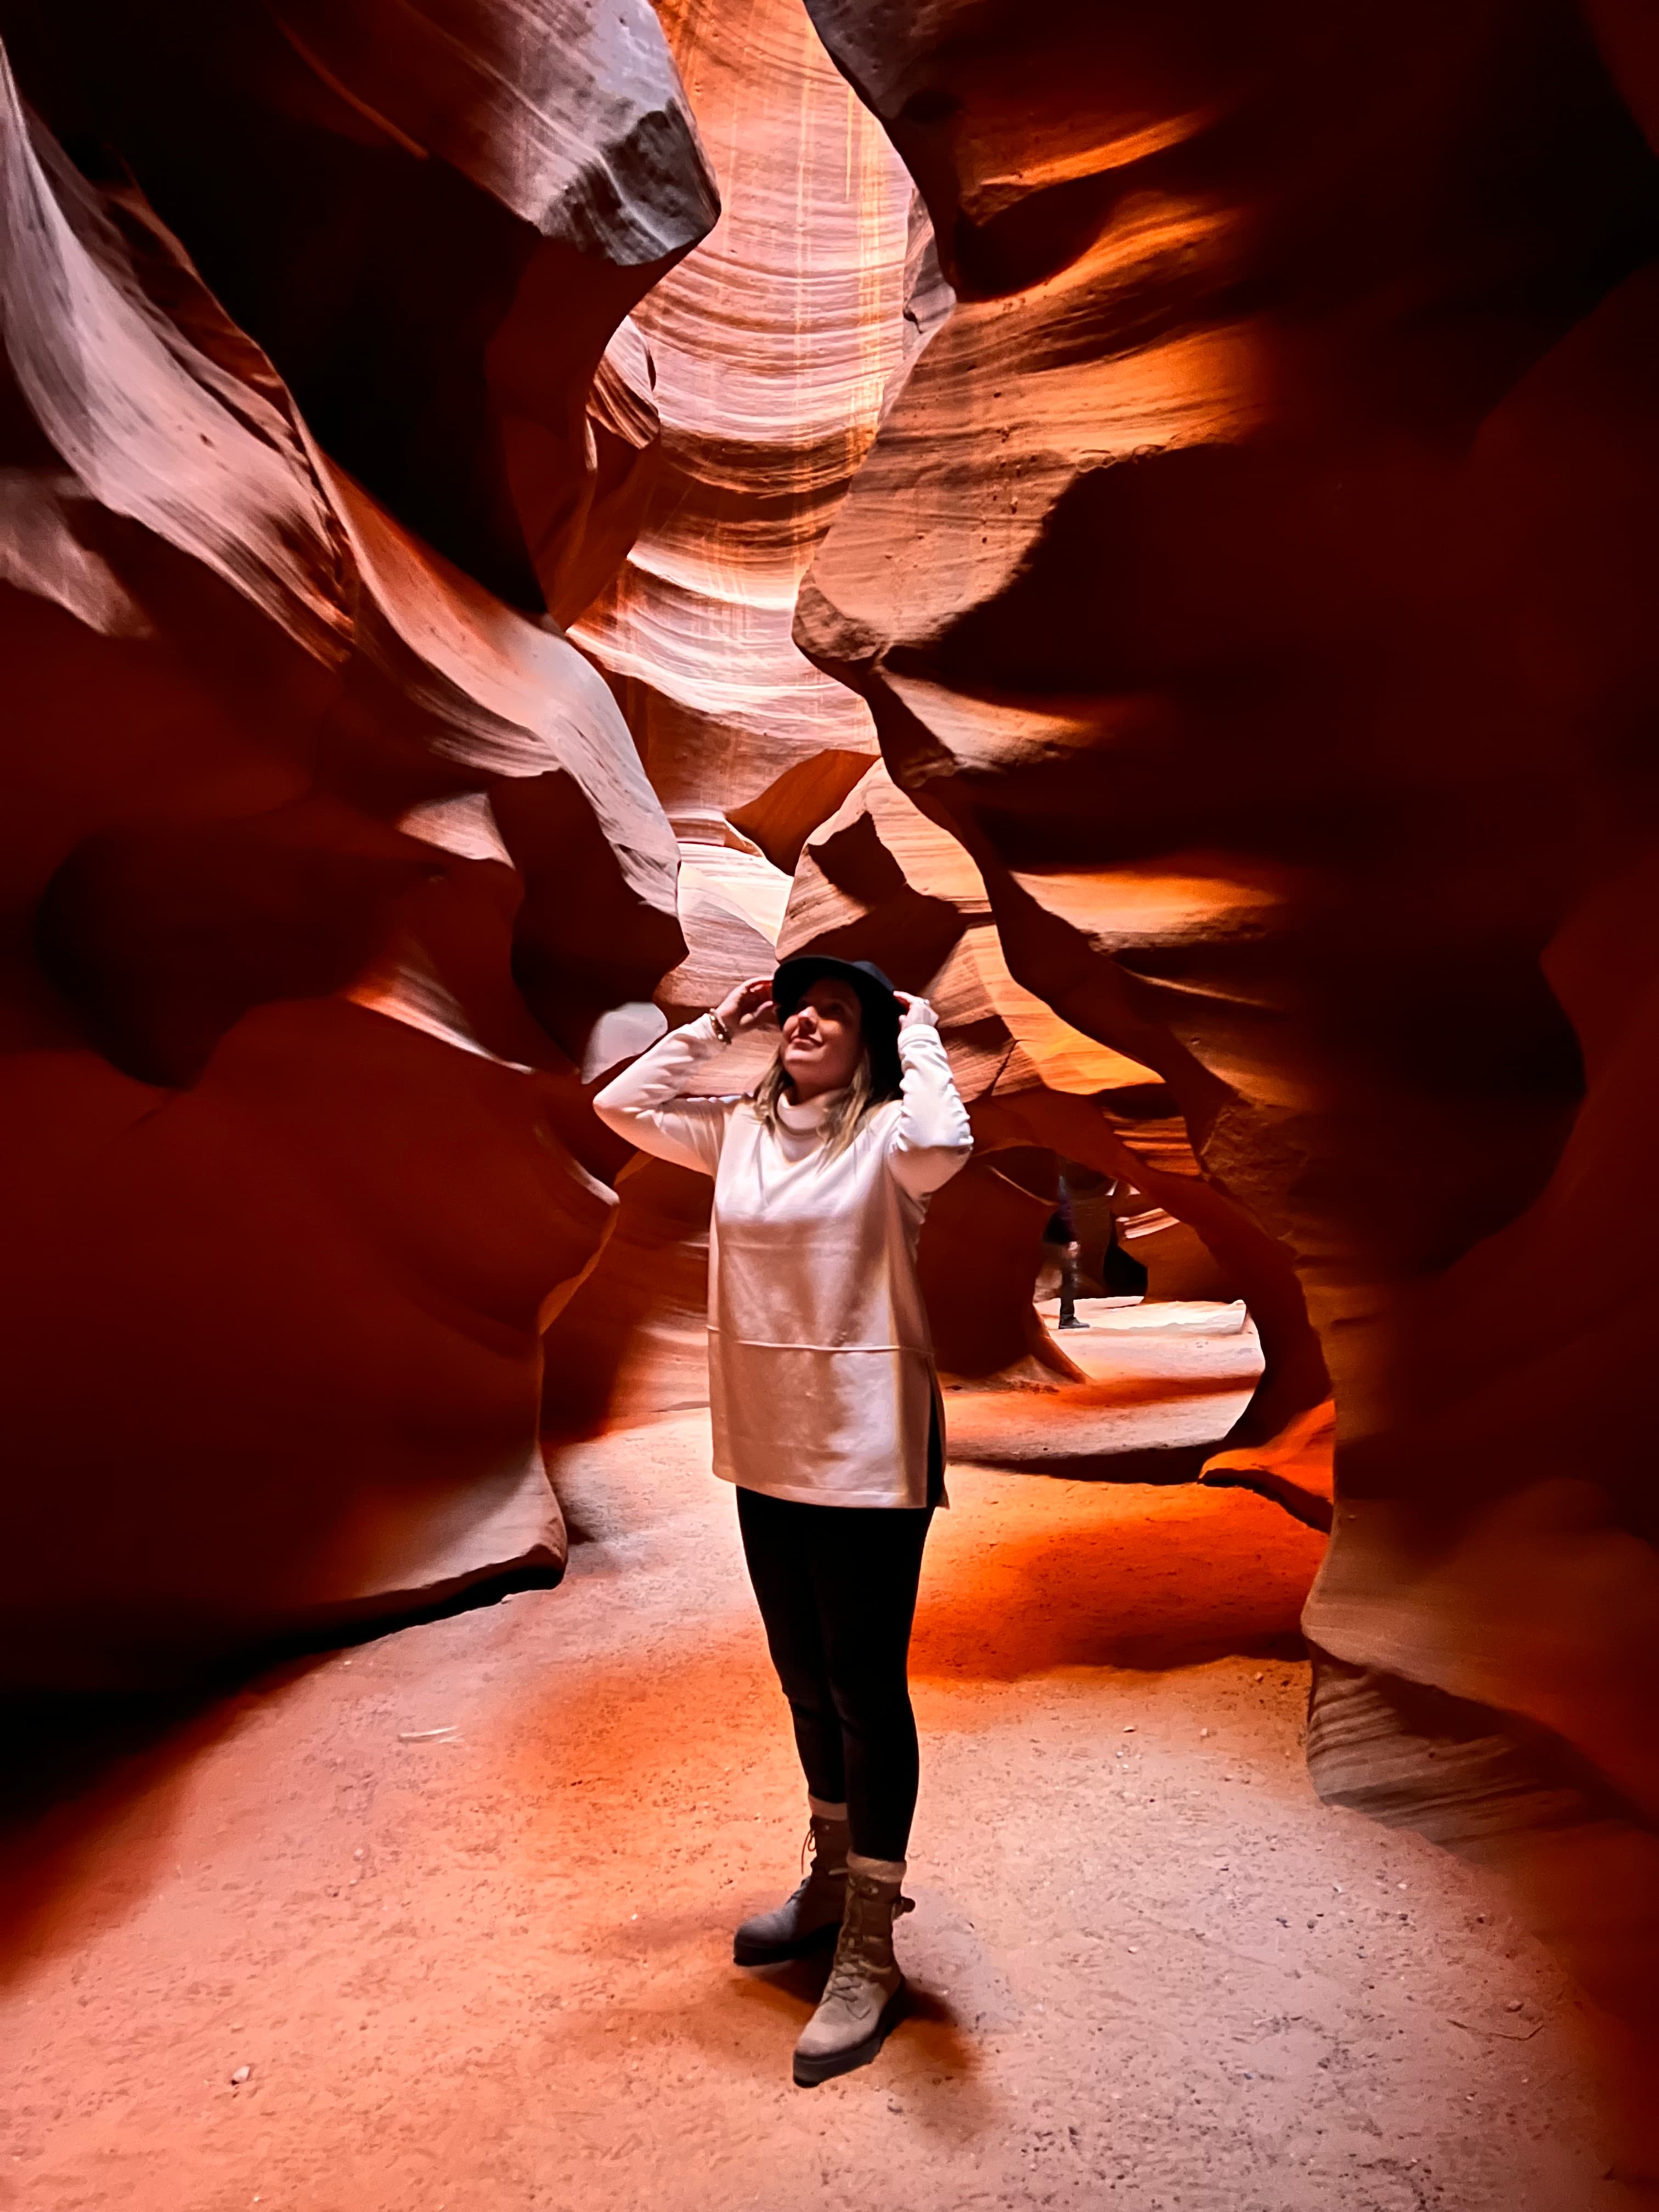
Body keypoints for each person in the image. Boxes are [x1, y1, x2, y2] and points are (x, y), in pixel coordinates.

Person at [593, 956, 972, 2085]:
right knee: (804, 1676)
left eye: (837, 1010)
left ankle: (872, 1942)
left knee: (862, 1683)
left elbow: (949, 1149)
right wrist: (720, 1022)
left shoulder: (892, 1141)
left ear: (871, 1043)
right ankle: (829, 1876)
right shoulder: (741, 1133)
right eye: (797, 1003)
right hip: (768, 1444)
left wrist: (925, 1037)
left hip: (867, 1449)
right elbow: (620, 1106)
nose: (808, 1018)